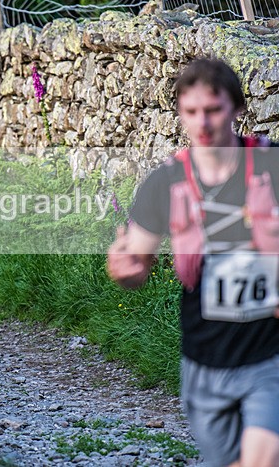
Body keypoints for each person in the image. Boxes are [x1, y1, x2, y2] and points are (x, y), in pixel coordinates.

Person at [107, 58, 279, 467]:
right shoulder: (164, 183)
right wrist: (125, 270)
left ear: (237, 109)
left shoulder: (273, 166)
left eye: (214, 110)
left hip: (269, 356)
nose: (203, 123)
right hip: (204, 361)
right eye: (192, 112)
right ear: (181, 114)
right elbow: (138, 264)